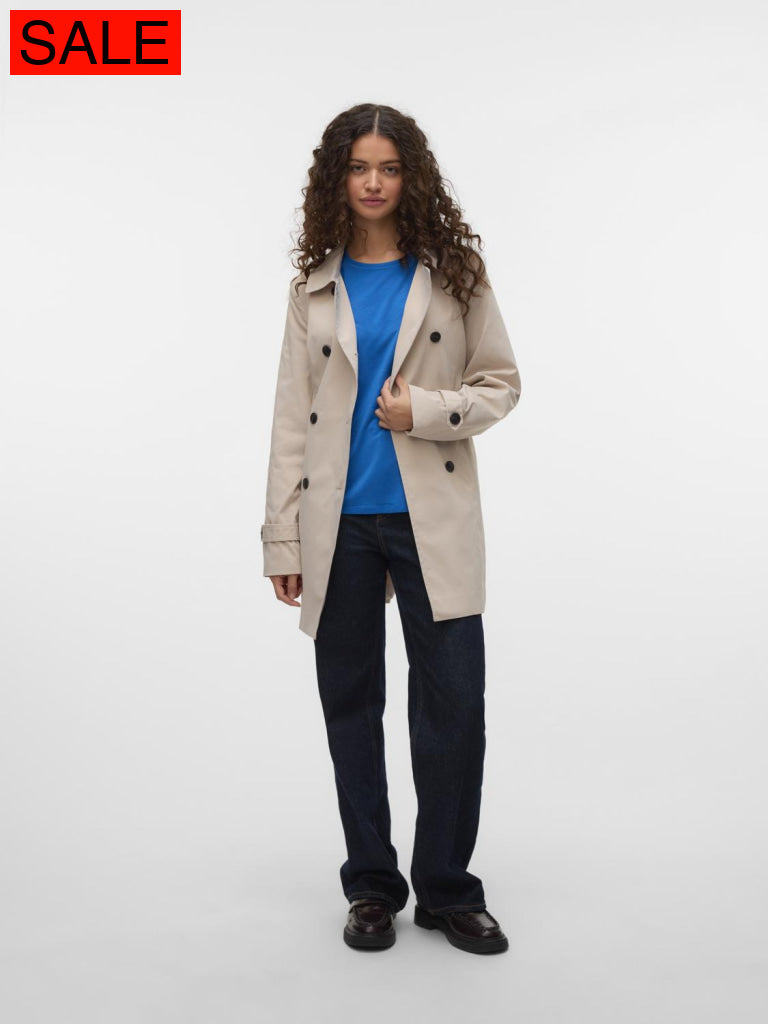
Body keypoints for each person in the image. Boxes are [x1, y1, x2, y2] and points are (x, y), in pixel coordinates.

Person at [261, 103, 521, 954]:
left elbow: (500, 382)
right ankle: (371, 886)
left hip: (430, 517)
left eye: (390, 167)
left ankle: (446, 889)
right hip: (338, 520)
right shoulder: (314, 286)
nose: (373, 182)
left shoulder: (455, 271)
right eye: (358, 167)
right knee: (351, 706)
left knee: (455, 706)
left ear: (412, 177)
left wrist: (427, 411)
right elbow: (292, 420)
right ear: (336, 178)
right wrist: (283, 537)